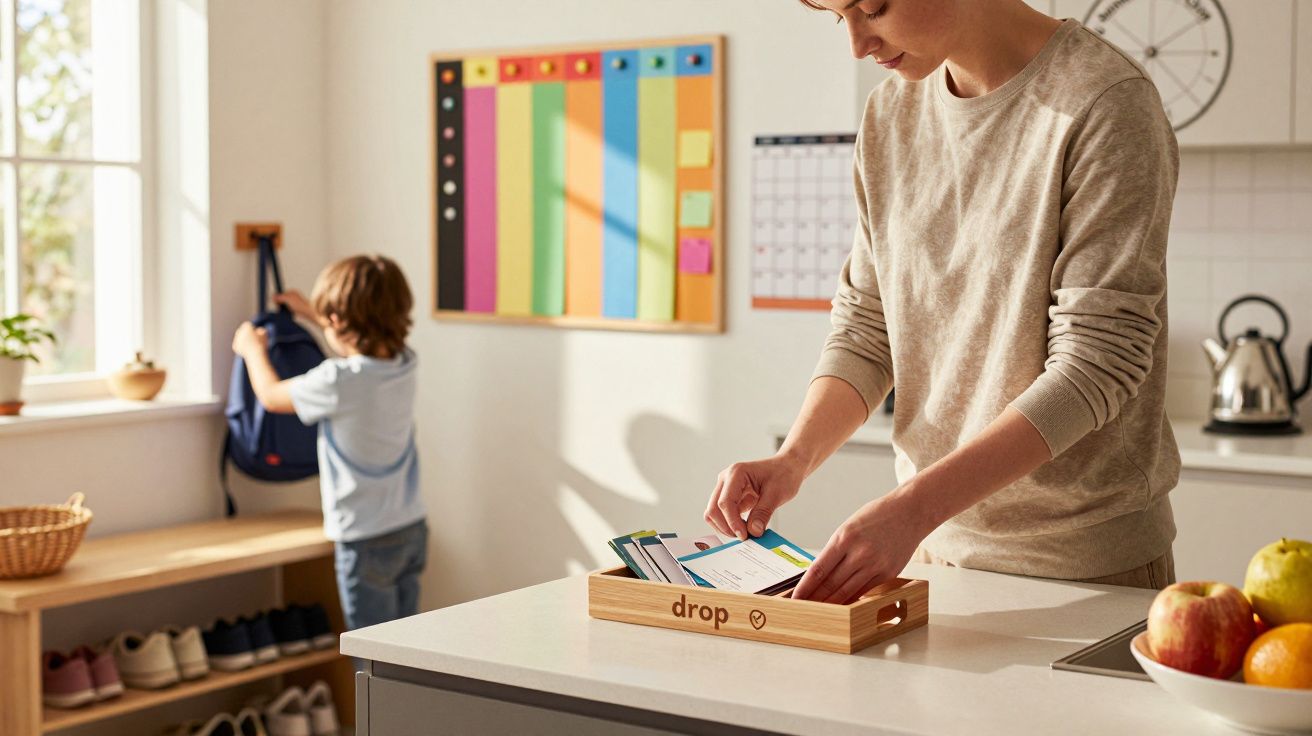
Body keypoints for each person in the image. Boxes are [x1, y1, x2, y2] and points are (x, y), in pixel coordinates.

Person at [706, 0, 1181, 601]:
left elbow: (1097, 364)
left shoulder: (1104, 100)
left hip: (1085, 567)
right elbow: (869, 327)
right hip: (932, 553)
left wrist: (912, 507)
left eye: (873, 8)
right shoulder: (889, 115)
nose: (857, 44)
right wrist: (794, 460)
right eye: (837, 17)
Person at [232, 254, 429, 630]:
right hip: (410, 528)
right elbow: (361, 345)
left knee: (372, 657)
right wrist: (312, 313)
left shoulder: (338, 381)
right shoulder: (405, 362)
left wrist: (251, 350)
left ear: (338, 322)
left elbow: (272, 396)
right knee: (407, 649)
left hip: (364, 538)